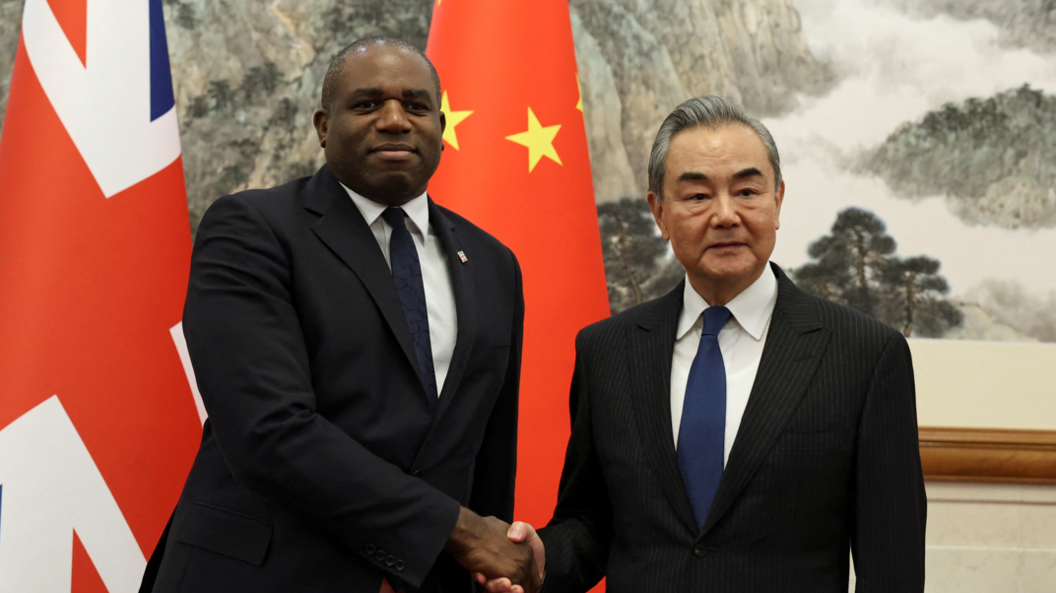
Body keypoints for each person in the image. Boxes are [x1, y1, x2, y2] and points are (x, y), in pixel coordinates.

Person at [140, 37, 541, 593]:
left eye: (416, 106)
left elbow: (487, 451)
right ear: (324, 125)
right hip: (264, 576)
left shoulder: (494, 264)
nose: (395, 120)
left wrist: (488, 561)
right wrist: (460, 531)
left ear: (441, 129)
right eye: (368, 103)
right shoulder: (253, 229)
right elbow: (268, 432)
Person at [486, 95, 926, 593]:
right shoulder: (606, 351)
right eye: (697, 196)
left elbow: (892, 564)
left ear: (777, 201)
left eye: (746, 191)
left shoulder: (864, 355)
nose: (725, 215)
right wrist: (539, 560)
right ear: (660, 213)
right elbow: (591, 525)